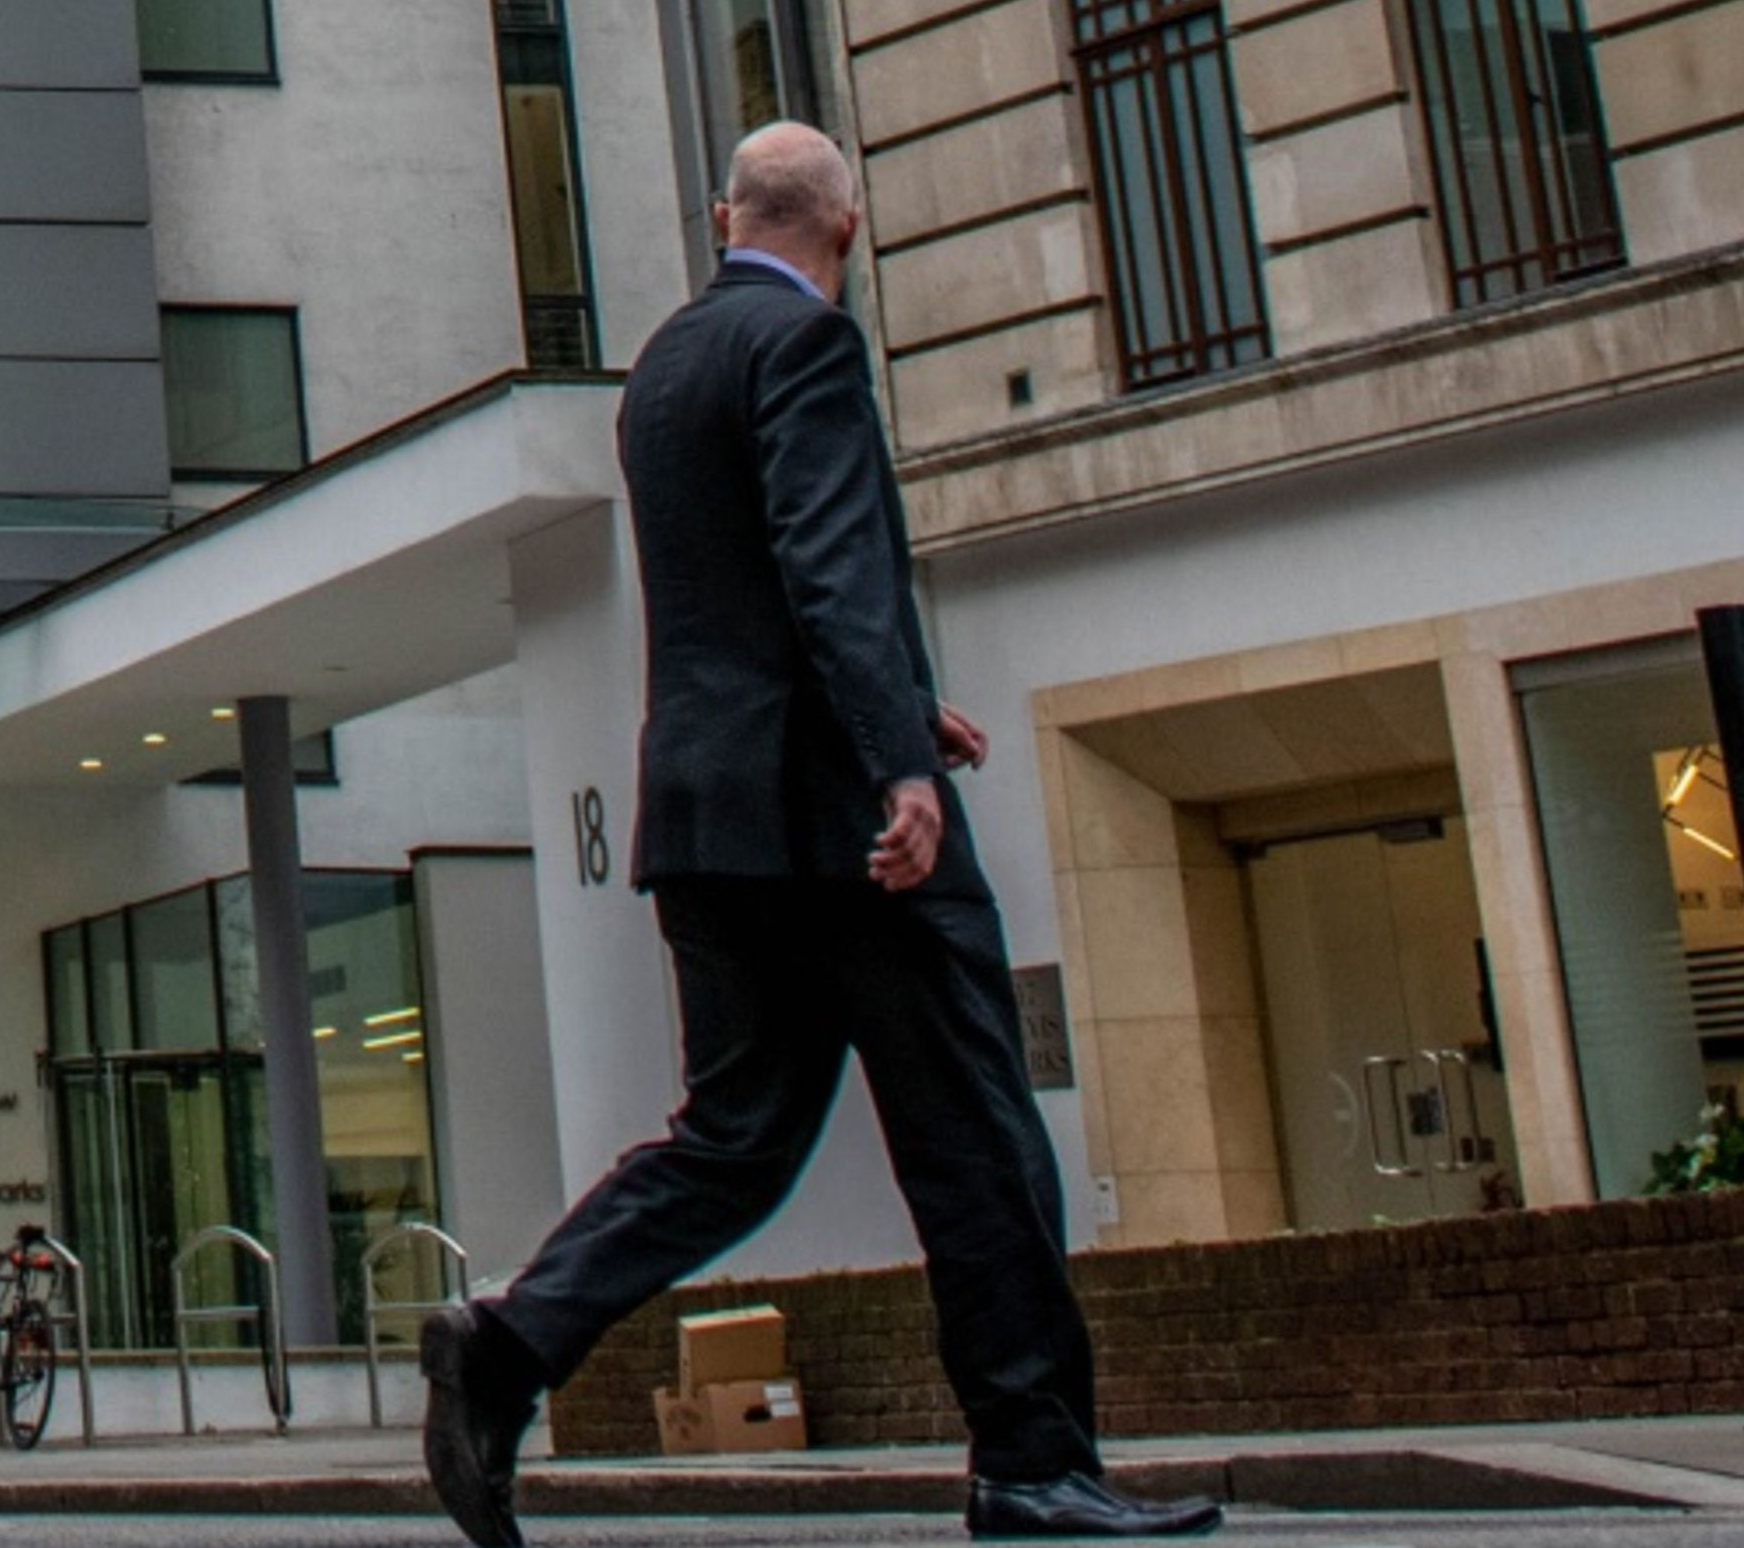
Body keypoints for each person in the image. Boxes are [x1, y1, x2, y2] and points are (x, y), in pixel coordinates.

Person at [420, 128, 1217, 1548]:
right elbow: (826, 561)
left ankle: (508, 1338)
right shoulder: (806, 346)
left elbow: (740, 597)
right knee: (977, 1135)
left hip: (704, 821)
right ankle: (1032, 1463)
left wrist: (899, 703)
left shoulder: (665, 366)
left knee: (730, 1139)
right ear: (847, 224)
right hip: (837, 831)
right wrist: (897, 764)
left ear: (721, 216)